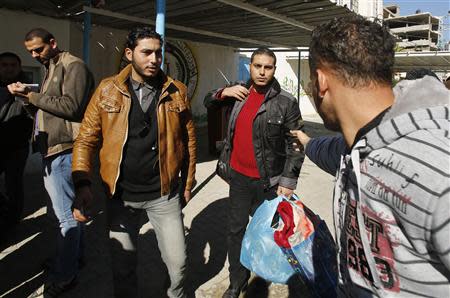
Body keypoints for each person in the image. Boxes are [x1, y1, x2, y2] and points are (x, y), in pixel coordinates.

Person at [291, 15, 450, 297]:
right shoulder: (354, 148)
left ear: (320, 81)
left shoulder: (438, 170)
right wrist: (304, 140)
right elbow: (326, 150)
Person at [71, 27, 196, 298]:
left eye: (158, 53)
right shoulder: (107, 90)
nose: (154, 59)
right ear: (129, 54)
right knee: (123, 267)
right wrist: (82, 183)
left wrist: (187, 184)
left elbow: (188, 143)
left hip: (164, 194)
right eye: (146, 52)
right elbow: (85, 140)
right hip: (120, 196)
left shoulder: (177, 91)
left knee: (178, 265)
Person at [204, 47, 304, 298]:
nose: (261, 71)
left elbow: (296, 144)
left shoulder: (286, 102)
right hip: (238, 178)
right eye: (257, 66)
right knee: (235, 231)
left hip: (269, 183)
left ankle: (264, 276)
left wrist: (289, 180)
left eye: (267, 67)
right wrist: (222, 92)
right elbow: (208, 102)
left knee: (265, 234)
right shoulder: (237, 93)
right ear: (250, 67)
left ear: (274, 69)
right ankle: (237, 281)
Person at [7, 28, 94, 296]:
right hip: (51, 150)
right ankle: (72, 260)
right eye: (30, 51)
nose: (34, 55)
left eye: (39, 49)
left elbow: (72, 107)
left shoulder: (73, 65)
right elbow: (48, 109)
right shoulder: (51, 66)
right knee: (65, 215)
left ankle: (66, 275)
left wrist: (31, 96)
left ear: (53, 43)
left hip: (65, 150)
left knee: (65, 218)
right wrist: (26, 100)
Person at [0, 52, 32, 227]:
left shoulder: (28, 88)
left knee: (14, 185)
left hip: (17, 147)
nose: (9, 69)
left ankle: (13, 220)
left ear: (19, 67)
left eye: (13, 65)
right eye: (4, 65)